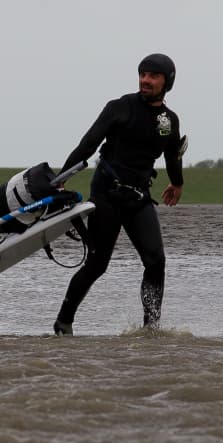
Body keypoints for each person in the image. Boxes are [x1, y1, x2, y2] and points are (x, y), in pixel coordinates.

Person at [53, 53, 187, 336]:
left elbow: (173, 153)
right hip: (107, 195)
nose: (146, 80)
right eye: (143, 74)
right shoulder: (120, 107)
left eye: (153, 76)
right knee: (98, 263)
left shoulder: (168, 120)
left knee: (156, 261)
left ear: (167, 82)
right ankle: (64, 322)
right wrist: (62, 179)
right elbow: (88, 144)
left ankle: (151, 328)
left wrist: (177, 183)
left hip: (138, 198)